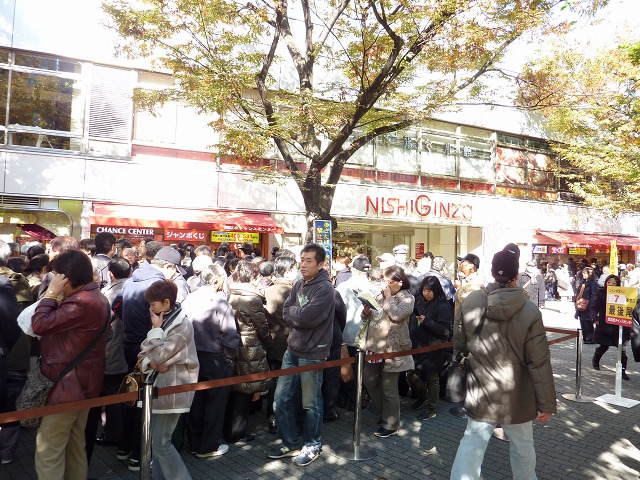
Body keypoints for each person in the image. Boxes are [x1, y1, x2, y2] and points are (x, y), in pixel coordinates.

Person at [450, 244, 557, 480]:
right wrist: (546, 403)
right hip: (517, 391)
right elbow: (538, 362)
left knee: (472, 440)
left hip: (481, 386)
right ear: (516, 275)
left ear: (491, 271)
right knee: (522, 444)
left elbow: (460, 342)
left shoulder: (471, 301)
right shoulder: (530, 310)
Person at [31, 250, 110, 480]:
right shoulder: (97, 297)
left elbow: (39, 325)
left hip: (66, 387)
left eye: (57, 274)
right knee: (75, 447)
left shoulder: (81, 302)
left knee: (49, 451)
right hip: (83, 385)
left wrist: (51, 293)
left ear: (66, 277)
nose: (53, 279)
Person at [268, 243, 335, 467]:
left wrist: (296, 314)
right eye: (302, 260)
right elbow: (287, 311)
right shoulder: (298, 284)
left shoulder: (325, 288)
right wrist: (297, 314)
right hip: (292, 350)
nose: (303, 265)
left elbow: (306, 318)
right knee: (280, 399)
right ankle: (290, 443)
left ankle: (312, 444)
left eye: (309, 261)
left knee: (311, 403)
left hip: (313, 352)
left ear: (320, 264)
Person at [139, 280, 199, 480]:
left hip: (173, 389)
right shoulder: (166, 320)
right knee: (158, 442)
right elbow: (144, 353)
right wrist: (152, 361)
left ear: (166, 302)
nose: (151, 308)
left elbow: (157, 355)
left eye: (153, 304)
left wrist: (152, 356)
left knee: (160, 443)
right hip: (162, 387)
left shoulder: (180, 325)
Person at [183, 264, 239, 457]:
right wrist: (230, 356)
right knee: (215, 403)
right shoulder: (220, 302)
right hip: (216, 357)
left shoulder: (189, 298)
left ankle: (194, 443)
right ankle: (208, 446)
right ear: (216, 280)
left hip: (192, 355)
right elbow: (230, 334)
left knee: (196, 400)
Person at [85, 256, 132, 460]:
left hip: (110, 353)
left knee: (110, 395)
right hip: (126, 351)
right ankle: (121, 435)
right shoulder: (135, 291)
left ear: (110, 274)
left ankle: (113, 434)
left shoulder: (105, 295)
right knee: (121, 395)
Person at [361, 265, 415, 438]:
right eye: (383, 281)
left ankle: (391, 424)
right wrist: (366, 312)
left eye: (389, 281)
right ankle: (384, 414)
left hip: (393, 348)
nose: (385, 284)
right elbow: (371, 317)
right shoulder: (381, 294)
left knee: (389, 387)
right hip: (374, 346)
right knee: (369, 380)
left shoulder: (407, 298)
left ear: (400, 282)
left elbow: (396, 315)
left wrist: (389, 297)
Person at [225, 259, 272, 443]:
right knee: (245, 390)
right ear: (254, 276)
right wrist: (267, 342)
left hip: (233, 344)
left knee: (235, 388)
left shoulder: (230, 293)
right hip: (250, 346)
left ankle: (229, 428)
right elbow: (262, 327)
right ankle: (237, 432)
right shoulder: (252, 299)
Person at [408, 275, 453, 420]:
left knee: (432, 378)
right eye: (423, 290)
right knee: (412, 375)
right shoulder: (420, 300)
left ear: (436, 290)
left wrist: (426, 321)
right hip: (417, 345)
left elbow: (445, 331)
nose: (425, 293)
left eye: (429, 291)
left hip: (433, 348)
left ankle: (431, 408)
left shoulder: (443, 306)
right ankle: (423, 396)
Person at [264, 255, 298, 433]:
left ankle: (272, 417)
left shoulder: (266, 290)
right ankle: (282, 417)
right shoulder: (294, 292)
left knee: (275, 382)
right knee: (288, 384)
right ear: (289, 270)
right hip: (290, 343)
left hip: (271, 343)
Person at [591, 275, 631, 380]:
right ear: (606, 283)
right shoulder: (601, 293)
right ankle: (596, 359)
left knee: (622, 349)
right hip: (605, 324)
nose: (611, 284)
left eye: (614, 283)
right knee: (604, 346)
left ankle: (622, 371)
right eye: (609, 282)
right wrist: (595, 318)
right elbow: (594, 307)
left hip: (619, 325)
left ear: (618, 284)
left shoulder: (623, 293)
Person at [574, 266, 598, 344]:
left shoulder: (593, 283)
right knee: (582, 321)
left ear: (590, 274)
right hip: (581, 305)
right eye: (583, 273)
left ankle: (590, 338)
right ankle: (585, 338)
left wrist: (590, 305)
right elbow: (578, 293)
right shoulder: (582, 282)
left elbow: (594, 295)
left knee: (588, 322)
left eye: (585, 273)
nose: (583, 274)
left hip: (588, 306)